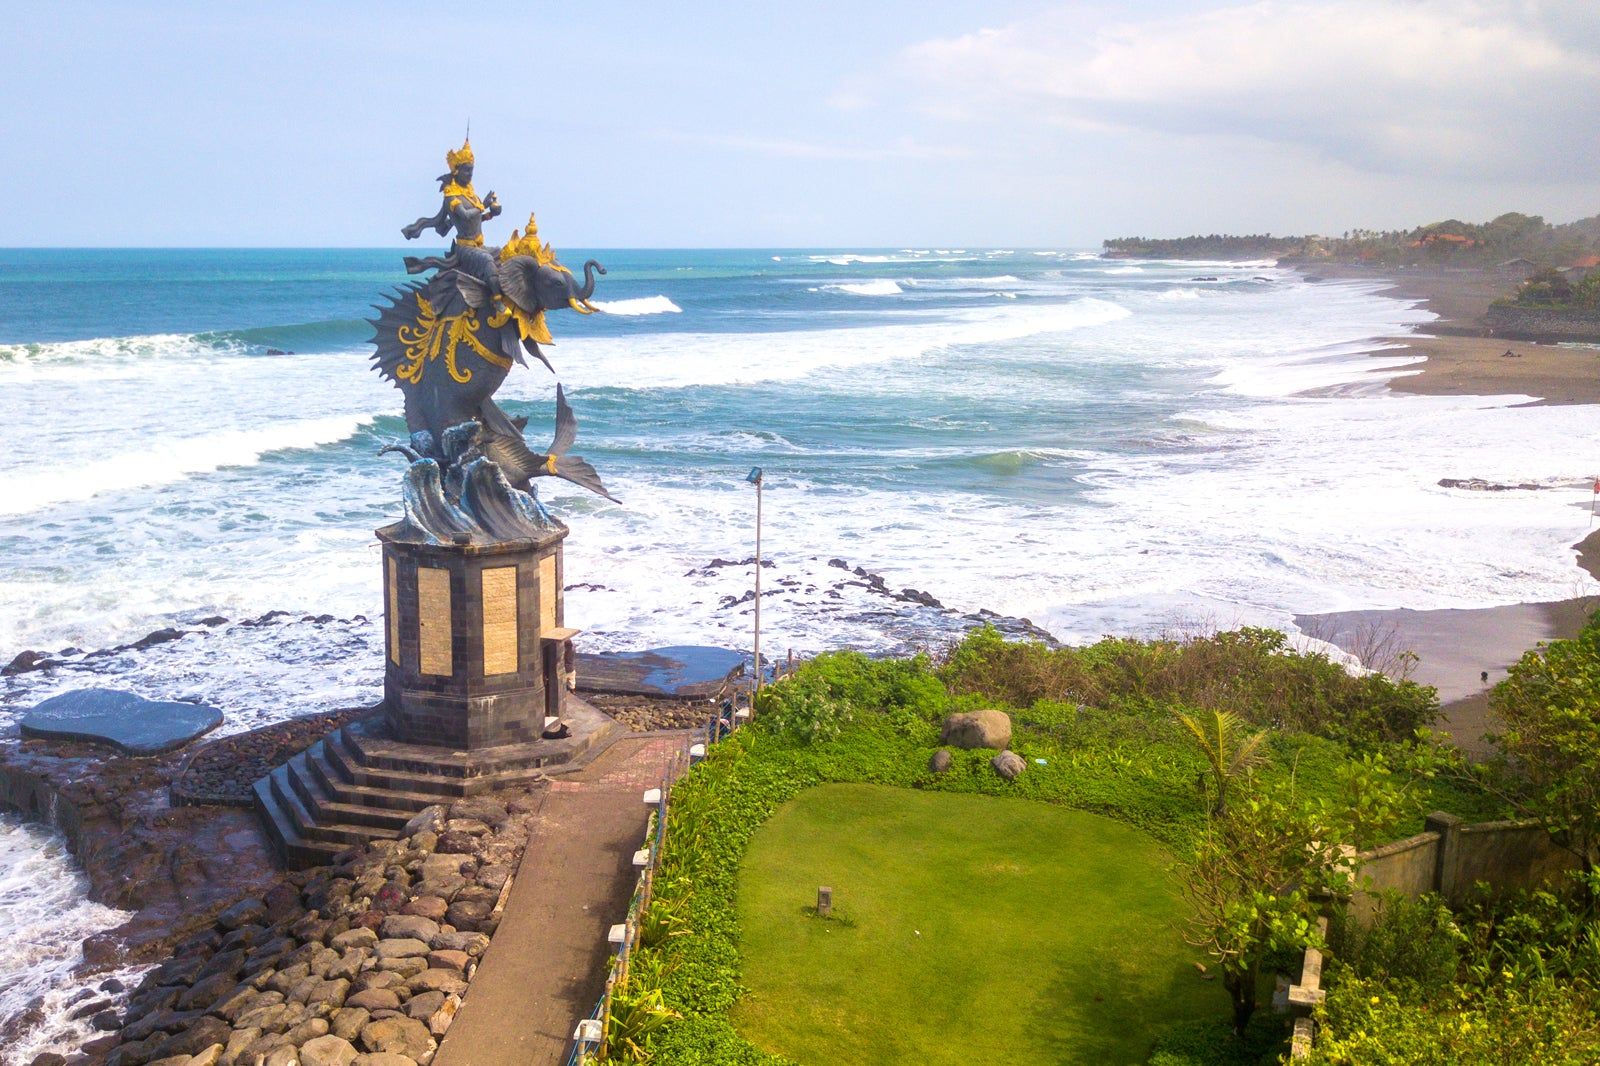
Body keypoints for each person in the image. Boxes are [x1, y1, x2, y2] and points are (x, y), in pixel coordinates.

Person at [402, 136, 501, 247]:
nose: (470, 174)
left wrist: (490, 214)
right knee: (487, 261)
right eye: (467, 170)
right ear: (457, 171)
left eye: (472, 170)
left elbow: (472, 222)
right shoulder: (451, 196)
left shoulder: (471, 194)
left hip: (478, 246)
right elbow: (465, 215)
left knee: (501, 255)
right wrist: (482, 205)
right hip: (466, 248)